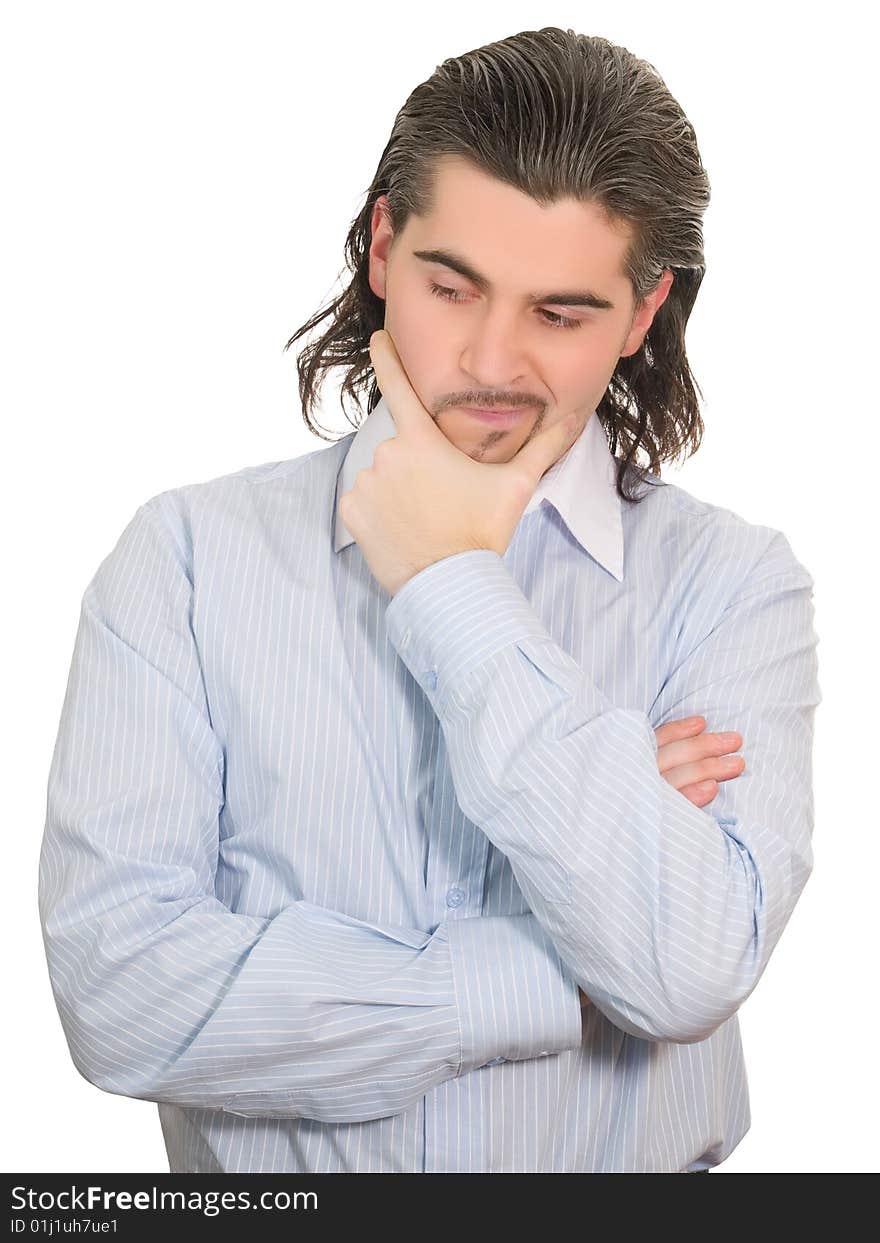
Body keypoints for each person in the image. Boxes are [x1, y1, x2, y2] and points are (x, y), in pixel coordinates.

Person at [37, 27, 821, 1174]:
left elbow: (686, 970)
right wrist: (577, 930)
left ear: (642, 314)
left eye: (560, 314)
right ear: (382, 246)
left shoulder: (735, 587)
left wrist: (454, 585)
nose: (491, 361)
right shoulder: (185, 562)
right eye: (451, 287)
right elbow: (119, 997)